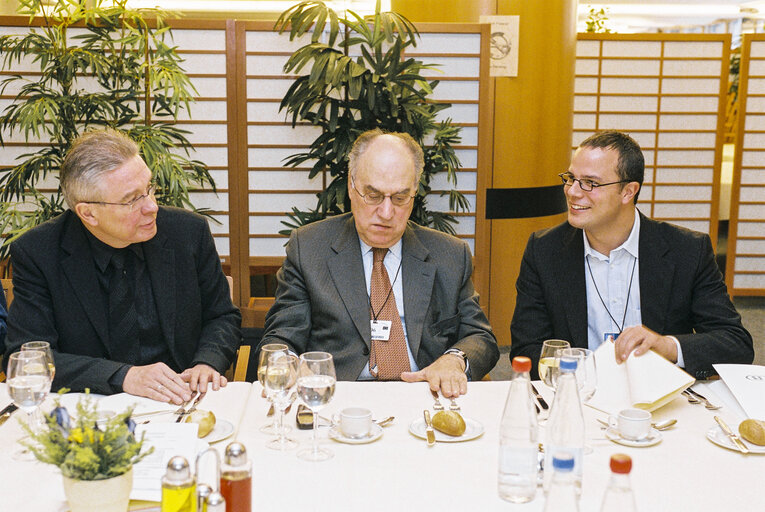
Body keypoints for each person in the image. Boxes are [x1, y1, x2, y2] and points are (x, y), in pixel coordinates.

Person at [4, 128, 241, 403]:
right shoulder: (39, 252)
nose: (151, 207)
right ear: (88, 213)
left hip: (180, 399)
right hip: (89, 407)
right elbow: (27, 358)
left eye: (150, 189)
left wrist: (207, 362)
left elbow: (222, 316)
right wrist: (123, 376)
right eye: (132, 200)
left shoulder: (187, 233)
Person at [259, 129, 498, 397]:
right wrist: (285, 364)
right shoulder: (309, 248)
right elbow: (282, 335)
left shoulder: (450, 254)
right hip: (337, 398)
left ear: (414, 193)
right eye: (373, 196)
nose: (386, 213)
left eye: (399, 198)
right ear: (351, 186)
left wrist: (454, 359)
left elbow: (480, 337)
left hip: (423, 397)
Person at [510, 130, 753, 380]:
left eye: (590, 183)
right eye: (571, 178)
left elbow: (735, 344)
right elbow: (527, 348)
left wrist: (666, 346)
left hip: (660, 400)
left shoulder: (687, 250)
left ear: (628, 191)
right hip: (579, 396)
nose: (572, 191)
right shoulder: (545, 250)